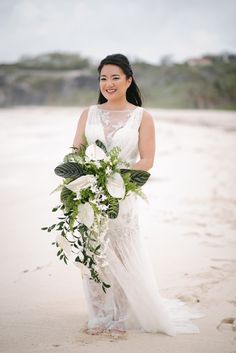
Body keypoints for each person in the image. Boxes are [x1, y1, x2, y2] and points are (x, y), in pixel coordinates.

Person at [72, 53, 203, 336]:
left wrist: (116, 181)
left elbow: (146, 160)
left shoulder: (142, 117)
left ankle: (122, 315)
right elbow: (76, 151)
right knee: (92, 251)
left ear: (129, 80)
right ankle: (99, 313)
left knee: (120, 250)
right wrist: (81, 179)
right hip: (89, 194)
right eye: (103, 78)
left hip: (123, 193)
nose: (108, 83)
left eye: (115, 77)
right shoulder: (88, 114)